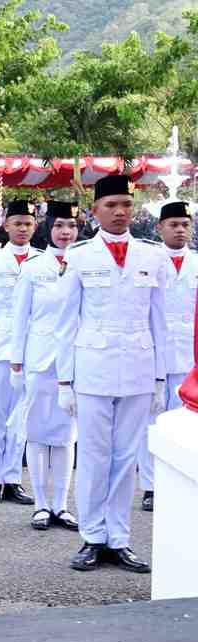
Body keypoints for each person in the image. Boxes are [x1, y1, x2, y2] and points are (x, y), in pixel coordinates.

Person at [55, 174, 167, 574]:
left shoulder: (151, 256)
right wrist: (64, 381)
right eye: (111, 205)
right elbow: (66, 323)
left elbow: (159, 322)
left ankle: (118, 539)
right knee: (95, 456)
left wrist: (160, 378)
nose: (120, 212)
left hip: (137, 367)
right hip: (93, 369)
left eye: (126, 204)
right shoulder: (81, 256)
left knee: (126, 458)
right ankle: (92, 537)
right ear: (95, 211)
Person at [9, 201, 80, 532]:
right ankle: (40, 504)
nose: (66, 232)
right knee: (37, 432)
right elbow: (19, 319)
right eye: (59, 225)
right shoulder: (33, 268)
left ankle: (61, 505)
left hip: (75, 362)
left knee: (67, 435)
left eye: (71, 226)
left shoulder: (84, 263)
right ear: (48, 229)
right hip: (39, 359)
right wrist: (16, 364)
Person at [0, 200, 41, 505]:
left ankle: (12, 478)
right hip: (0, 347)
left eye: (28, 223)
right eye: (17, 223)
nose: (23, 229)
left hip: (31, 348)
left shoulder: (42, 262)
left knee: (21, 417)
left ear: (35, 226)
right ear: (6, 225)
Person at [136, 201, 195, 512]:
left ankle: (182, 481)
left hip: (189, 358)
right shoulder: (148, 261)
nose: (181, 230)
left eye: (185, 224)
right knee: (152, 421)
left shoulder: (197, 263)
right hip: (155, 354)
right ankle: (150, 485)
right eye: (173, 224)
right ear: (159, 228)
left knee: (185, 423)